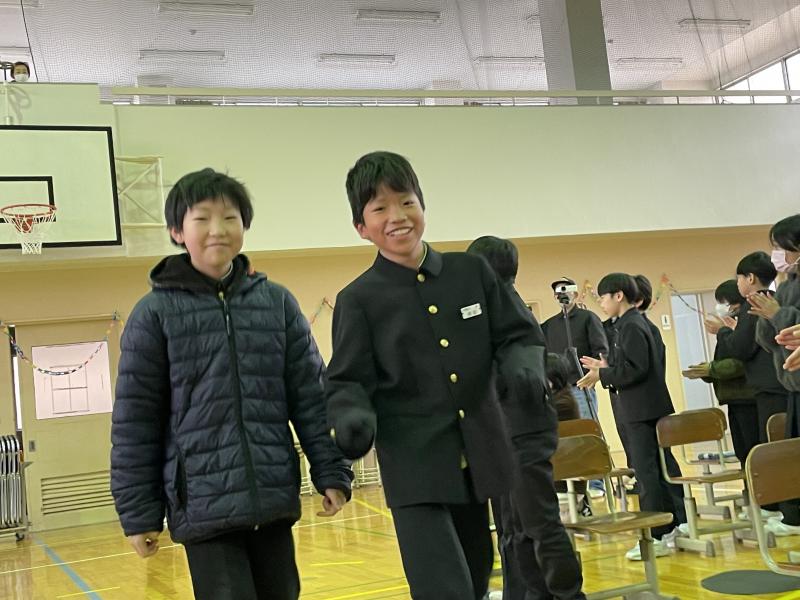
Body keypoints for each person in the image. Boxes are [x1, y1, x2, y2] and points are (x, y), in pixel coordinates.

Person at [110, 168, 353, 600]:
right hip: (203, 509)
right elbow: (135, 422)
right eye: (202, 218)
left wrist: (331, 470)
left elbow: (312, 397)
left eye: (229, 218)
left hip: (272, 498)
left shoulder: (276, 302)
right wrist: (139, 514)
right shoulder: (153, 315)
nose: (217, 230)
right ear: (177, 231)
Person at [325, 151, 551, 600]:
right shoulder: (358, 299)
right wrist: (351, 417)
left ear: (423, 206)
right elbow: (347, 380)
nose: (397, 216)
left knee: (475, 578)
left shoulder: (472, 272)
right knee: (444, 588)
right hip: (414, 467)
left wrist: (523, 367)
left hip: (479, 459)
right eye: (380, 208)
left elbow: (519, 335)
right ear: (361, 227)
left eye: (406, 202)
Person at [467, 235, 585, 600]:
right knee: (515, 529)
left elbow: (516, 374)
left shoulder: (509, 312)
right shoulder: (494, 306)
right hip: (505, 431)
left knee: (540, 524)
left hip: (523, 431)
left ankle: (569, 595)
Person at [578, 273, 686, 560]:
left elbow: (637, 369)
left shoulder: (631, 325)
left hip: (641, 410)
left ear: (618, 296)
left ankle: (657, 535)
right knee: (655, 471)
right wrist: (607, 368)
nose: (601, 303)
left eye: (603, 297)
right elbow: (632, 366)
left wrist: (604, 373)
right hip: (644, 407)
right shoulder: (629, 324)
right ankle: (672, 526)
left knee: (646, 474)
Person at [542, 277, 608, 497]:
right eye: (558, 291)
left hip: (581, 385)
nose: (562, 294)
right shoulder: (549, 325)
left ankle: (596, 483)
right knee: (563, 435)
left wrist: (596, 372)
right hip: (557, 389)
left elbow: (601, 349)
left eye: (566, 290)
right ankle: (568, 483)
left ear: (576, 293)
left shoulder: (589, 318)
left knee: (586, 432)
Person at [755, 214, 800, 535]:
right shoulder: (786, 284)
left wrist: (779, 314)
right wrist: (768, 315)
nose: (778, 254)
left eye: (782, 247)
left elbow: (792, 327)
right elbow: (771, 340)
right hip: (792, 383)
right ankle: (794, 516)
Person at [686, 281, 758, 465]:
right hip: (734, 398)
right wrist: (707, 370)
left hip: (749, 397)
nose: (719, 307)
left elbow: (741, 362)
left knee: (753, 451)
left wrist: (712, 368)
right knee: (743, 451)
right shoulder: (730, 327)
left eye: (723, 302)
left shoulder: (746, 322)